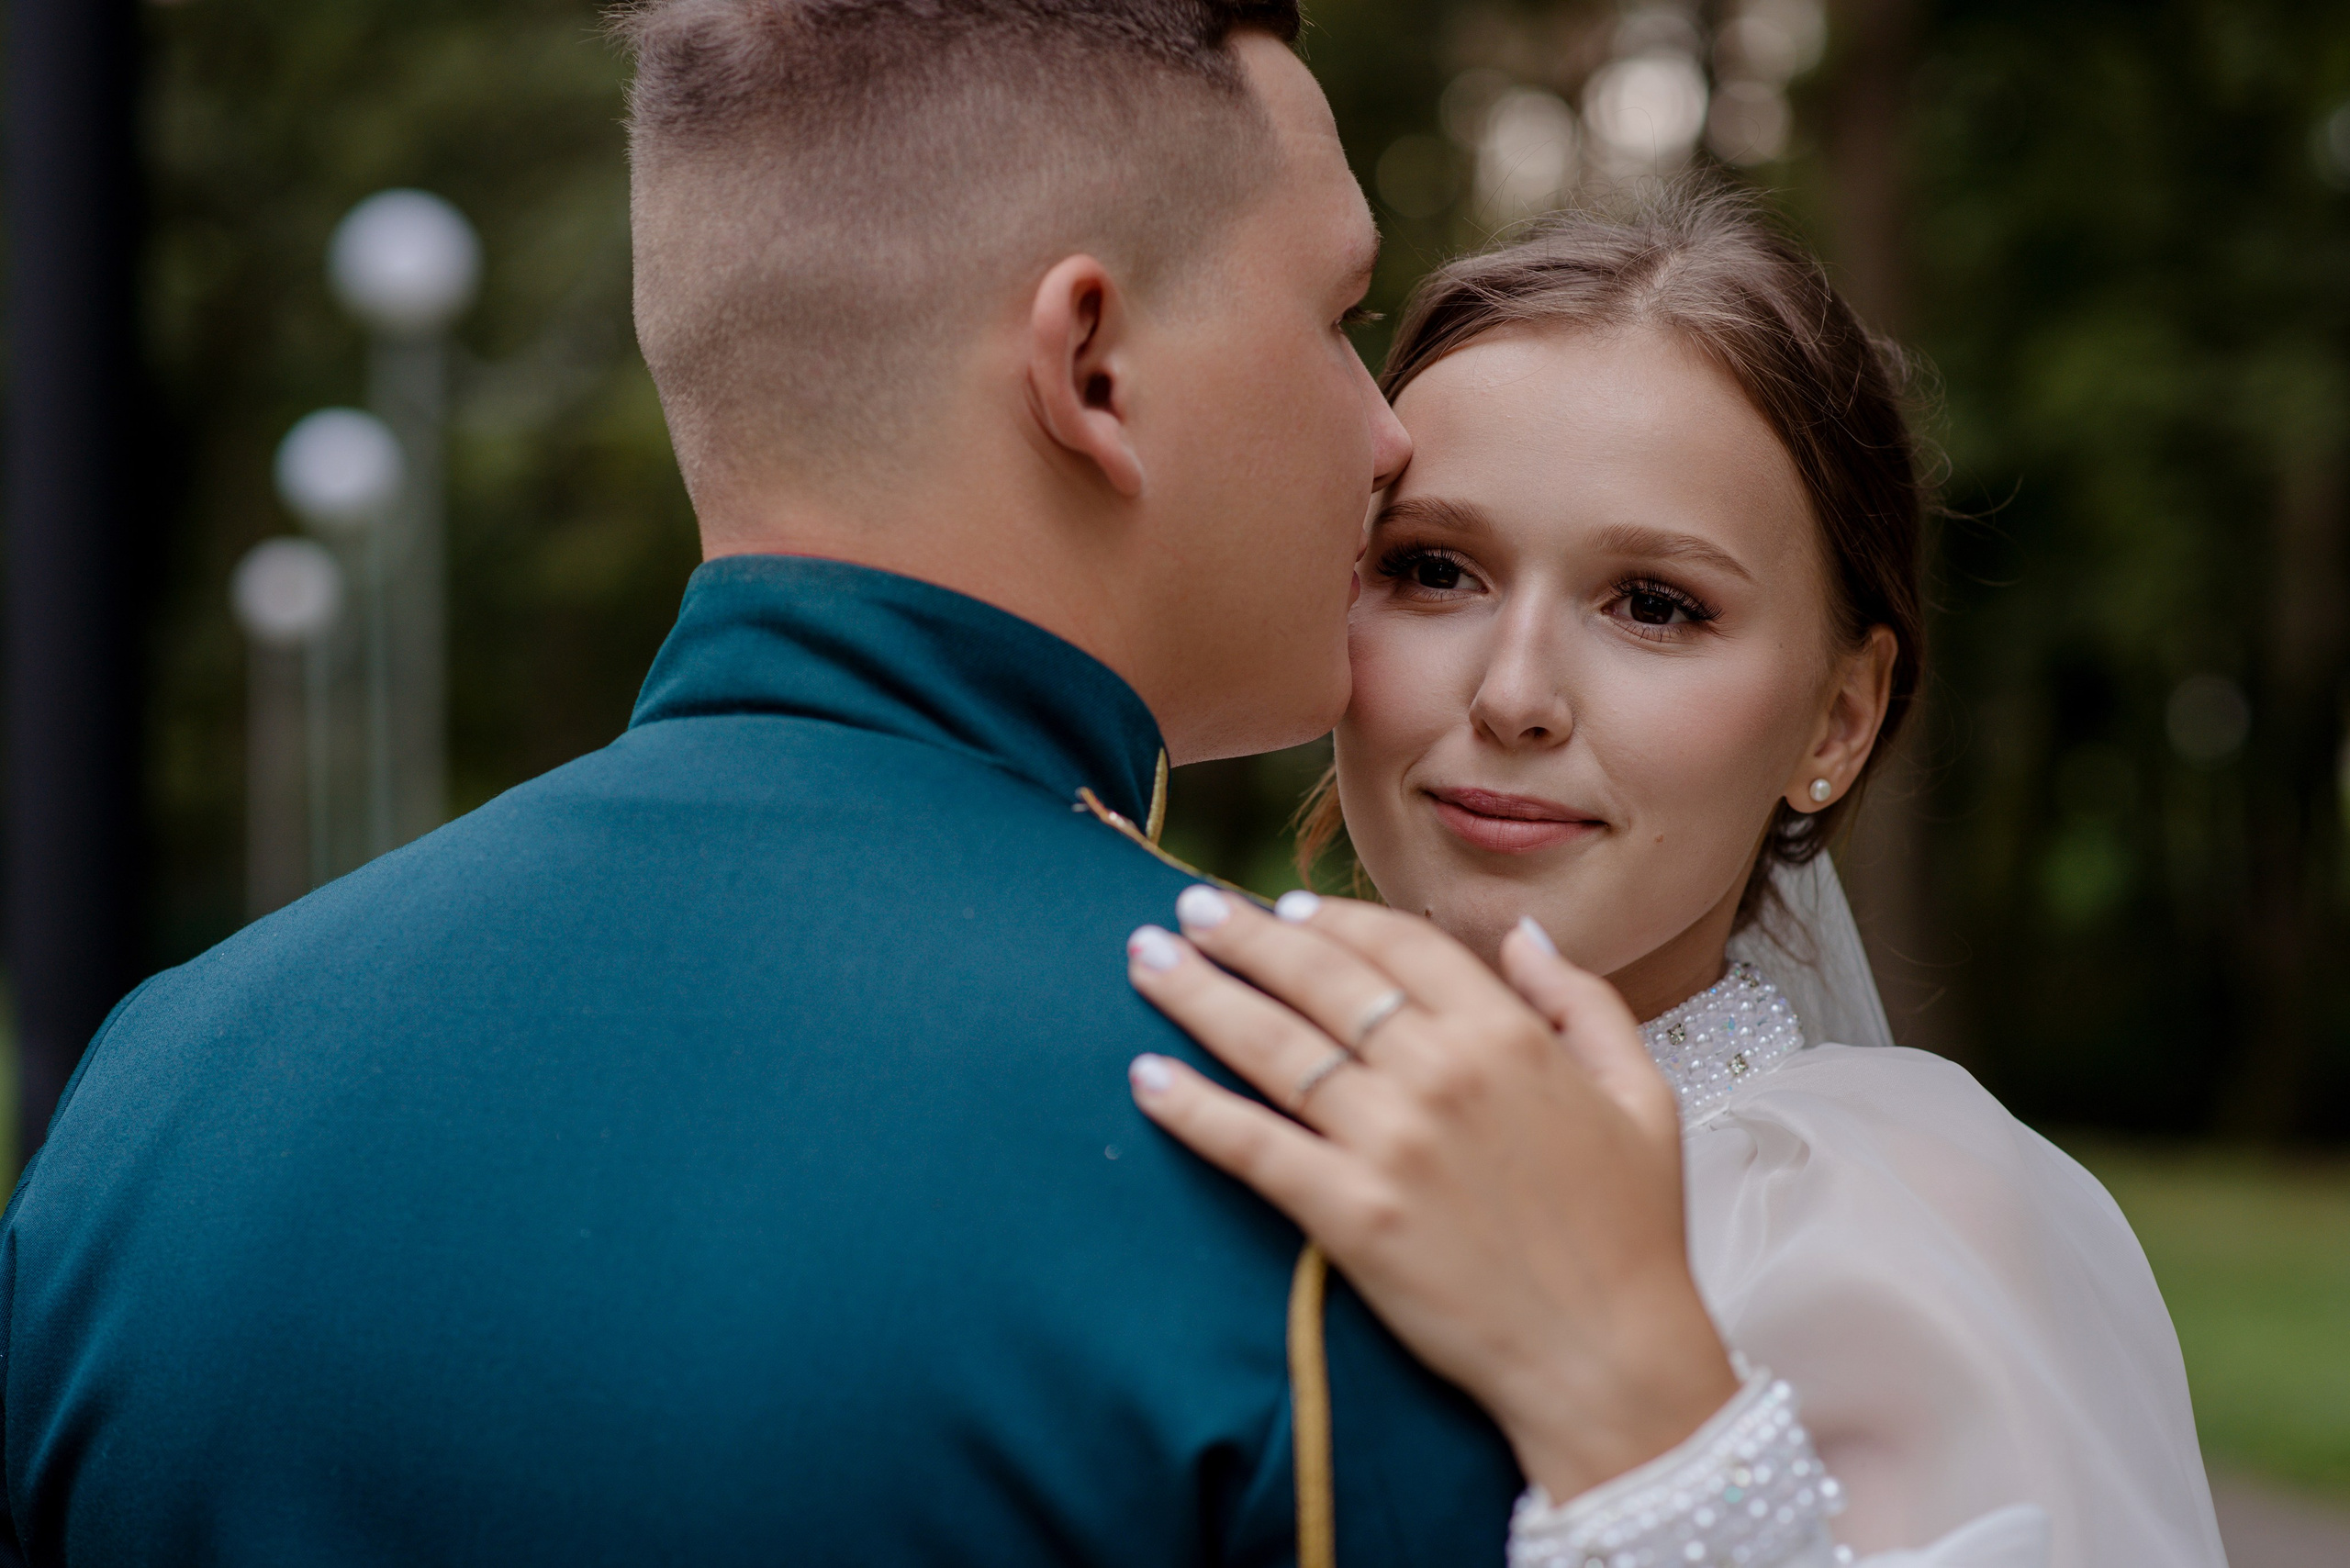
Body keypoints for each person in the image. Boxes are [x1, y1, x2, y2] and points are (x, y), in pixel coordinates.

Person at [0, 5, 1534, 1562]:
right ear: (1091, 368)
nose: (1386, 433)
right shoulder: (1322, 1140)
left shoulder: (155, 1093)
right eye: (1339, 316)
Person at [1120, 192, 2229, 1568]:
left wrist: (1653, 1431)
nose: (1516, 694)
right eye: (1435, 570)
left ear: (1839, 718)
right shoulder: (1157, 1086)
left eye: (1656, 604)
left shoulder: (1915, 1231)